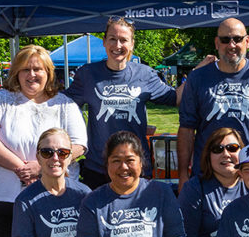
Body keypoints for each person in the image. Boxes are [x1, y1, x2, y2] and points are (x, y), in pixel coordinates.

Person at [0, 45, 87, 237]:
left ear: (48, 73)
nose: (31, 75)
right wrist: (21, 168)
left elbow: (79, 145)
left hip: (53, 198)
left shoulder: (65, 105)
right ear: (16, 72)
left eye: (38, 69)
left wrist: (41, 168)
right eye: (25, 69)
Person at [63, 17, 179, 189]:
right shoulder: (88, 74)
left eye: (124, 40)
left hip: (135, 167)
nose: (117, 46)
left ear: (132, 44)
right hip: (98, 169)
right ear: (104, 42)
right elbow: (62, 106)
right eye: (112, 39)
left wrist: (200, 75)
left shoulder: (145, 74)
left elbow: (176, 98)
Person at [177, 18, 249, 191]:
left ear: (247, 41)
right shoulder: (197, 78)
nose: (232, 45)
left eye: (237, 39)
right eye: (225, 40)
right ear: (217, 43)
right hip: (207, 176)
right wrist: (183, 174)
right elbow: (186, 128)